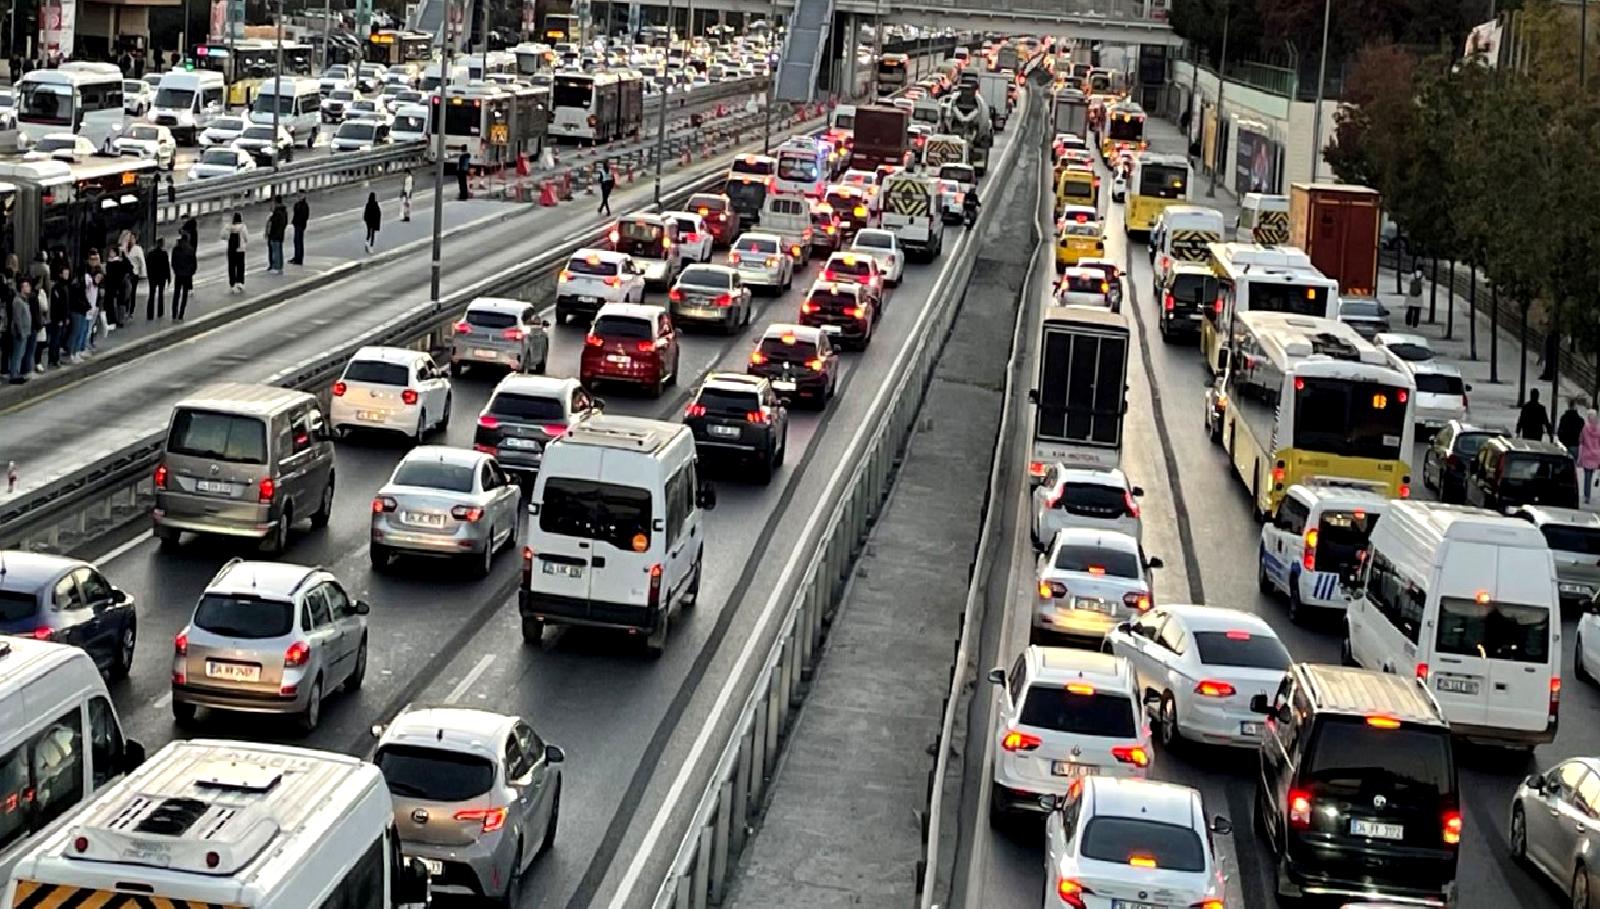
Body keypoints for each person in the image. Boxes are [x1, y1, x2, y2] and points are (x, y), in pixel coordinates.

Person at [7, 278, 31, 384]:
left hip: (25, 332)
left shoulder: (24, 300)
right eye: (26, 286)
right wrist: (20, 332)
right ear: (21, 288)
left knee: (21, 354)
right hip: (19, 333)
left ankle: (17, 373)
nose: (29, 288)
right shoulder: (17, 301)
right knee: (17, 354)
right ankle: (14, 375)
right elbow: (17, 319)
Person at [171, 234, 196, 321]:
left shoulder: (176, 249)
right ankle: (181, 314)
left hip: (178, 275)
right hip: (187, 275)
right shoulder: (191, 249)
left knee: (176, 294)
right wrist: (191, 272)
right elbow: (194, 263)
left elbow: (173, 262)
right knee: (184, 295)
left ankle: (174, 314)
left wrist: (176, 271)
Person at [222, 212, 248, 292]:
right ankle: (240, 282)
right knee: (240, 266)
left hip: (231, 249)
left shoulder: (228, 227)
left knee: (231, 266)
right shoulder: (243, 227)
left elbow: (223, 236)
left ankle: (232, 284)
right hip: (240, 249)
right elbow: (246, 238)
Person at [145, 237, 169, 320]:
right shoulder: (164, 254)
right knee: (161, 295)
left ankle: (150, 314)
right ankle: (160, 312)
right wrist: (168, 277)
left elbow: (147, 265)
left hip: (153, 277)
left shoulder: (151, 254)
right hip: (161, 277)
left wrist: (149, 275)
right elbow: (167, 267)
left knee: (151, 295)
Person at [124, 232, 146, 319]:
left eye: (133, 238)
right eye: (130, 238)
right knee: (126, 293)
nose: (131, 240)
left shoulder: (137, 249)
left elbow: (142, 261)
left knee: (132, 293)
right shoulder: (125, 248)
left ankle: (131, 311)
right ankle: (126, 309)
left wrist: (143, 273)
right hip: (126, 274)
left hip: (134, 273)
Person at [1559, 396, 1587, 461]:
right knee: (1573, 463)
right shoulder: (1580, 420)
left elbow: (1560, 431)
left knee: (1563, 462)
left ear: (1569, 406)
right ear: (1576, 407)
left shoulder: (1564, 418)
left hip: (1564, 443)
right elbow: (1583, 433)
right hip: (1574, 444)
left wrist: (1561, 439)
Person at [266, 199, 288, 274]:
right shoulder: (284, 212)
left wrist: (269, 233)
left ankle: (276, 267)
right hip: (281, 234)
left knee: (275, 252)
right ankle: (279, 267)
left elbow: (272, 224)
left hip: (274, 234)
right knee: (279, 251)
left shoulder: (276, 213)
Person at [1583, 410, 1600, 505]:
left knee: (1587, 477)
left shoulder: (1585, 428)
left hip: (1587, 454)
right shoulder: (1598, 429)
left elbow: (1583, 440)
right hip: (1596, 454)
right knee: (1593, 474)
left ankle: (1587, 496)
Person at [290, 194, 309, 265]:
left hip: (300, 225)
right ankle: (296, 257)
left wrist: (299, 223)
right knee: (296, 241)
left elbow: (304, 216)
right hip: (297, 224)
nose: (298, 197)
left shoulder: (304, 205)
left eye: (300, 196)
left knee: (299, 242)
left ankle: (299, 259)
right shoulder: (298, 204)